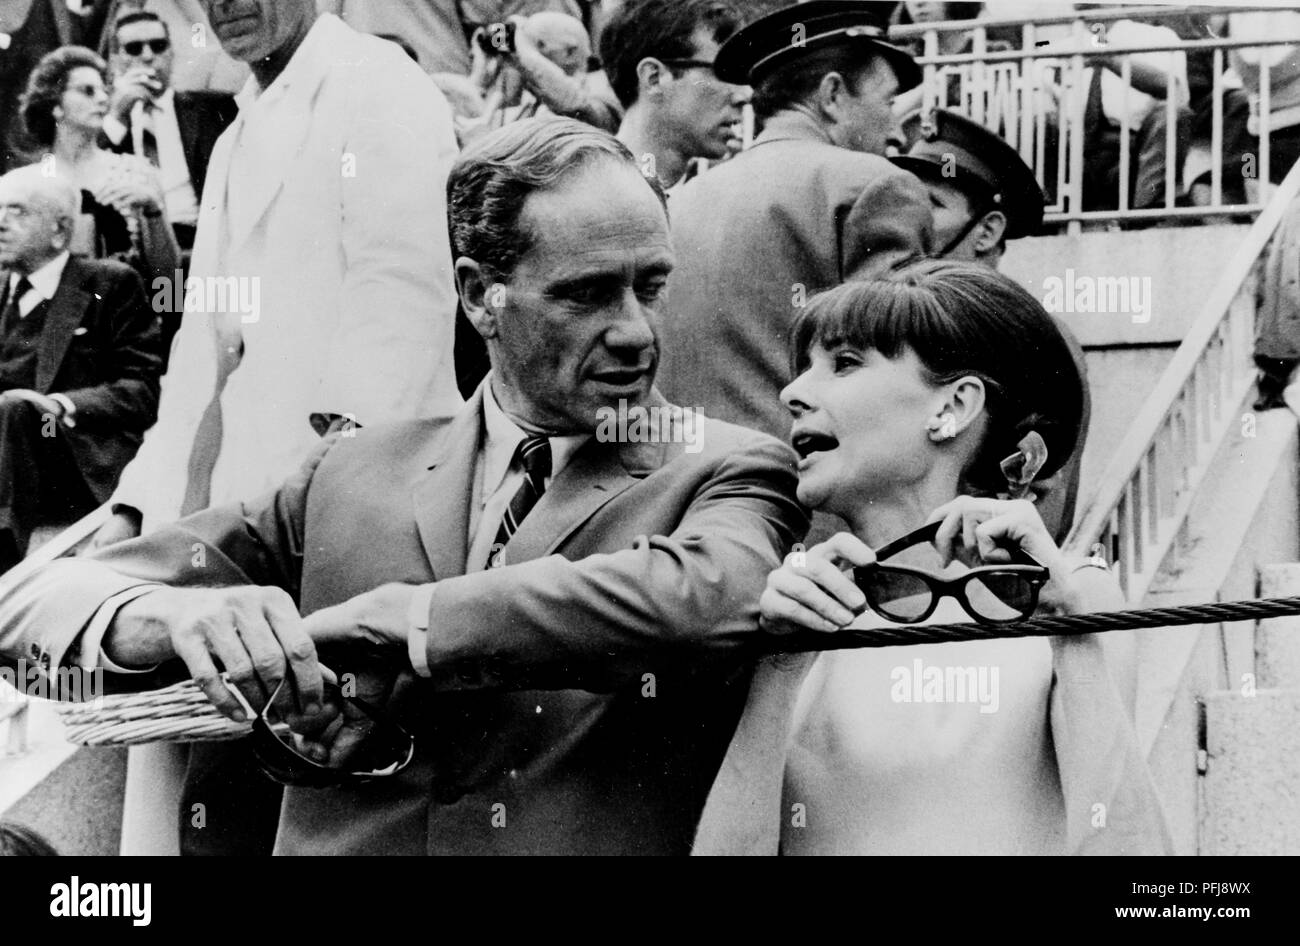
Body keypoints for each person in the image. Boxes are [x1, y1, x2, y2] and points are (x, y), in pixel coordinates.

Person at [0, 118, 808, 856]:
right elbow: (27, 608)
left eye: (652, 287)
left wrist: (409, 623)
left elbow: (712, 592)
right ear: (476, 294)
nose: (635, 330)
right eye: (586, 293)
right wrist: (174, 615)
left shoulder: (730, 467)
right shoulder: (347, 471)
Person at [89, 0, 465, 857]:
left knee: (318, 816)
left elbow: (401, 302)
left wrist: (314, 507)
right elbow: (201, 350)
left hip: (341, 530)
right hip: (235, 533)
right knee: (213, 813)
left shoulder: (381, 87)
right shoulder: (233, 135)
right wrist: (138, 503)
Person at [692, 260, 1172, 856]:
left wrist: (1074, 637)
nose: (792, 393)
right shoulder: (792, 609)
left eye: (843, 363)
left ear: (953, 407)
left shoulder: (1072, 595)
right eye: (802, 369)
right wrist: (778, 671)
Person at [658, 1, 933, 445]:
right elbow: (897, 379)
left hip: (682, 486)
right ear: (832, 96)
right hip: (804, 494)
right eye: (887, 102)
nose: (897, 130)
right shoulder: (874, 184)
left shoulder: (680, 201)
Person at [891, 106, 1091, 541]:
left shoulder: (1036, 338)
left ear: (986, 231)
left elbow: (1041, 493)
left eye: (933, 204)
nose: (909, 220)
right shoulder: (905, 325)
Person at [0, 166, 160, 572]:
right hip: (9, 451)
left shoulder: (108, 282)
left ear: (59, 230)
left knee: (16, 408)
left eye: (17, 212)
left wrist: (59, 404)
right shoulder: (2, 290)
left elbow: (142, 391)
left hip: (74, 449)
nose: (1, 223)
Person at [18, 46, 182, 290]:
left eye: (104, 91)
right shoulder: (25, 185)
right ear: (55, 105)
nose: (104, 99)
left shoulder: (137, 172)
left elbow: (169, 281)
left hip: (129, 318)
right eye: (88, 91)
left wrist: (153, 209)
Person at [101, 10, 239, 279]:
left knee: (179, 297)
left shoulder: (211, 110)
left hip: (200, 242)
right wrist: (118, 116)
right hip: (134, 252)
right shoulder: (103, 119)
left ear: (171, 52)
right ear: (116, 60)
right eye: (134, 48)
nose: (148, 55)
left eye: (158, 45)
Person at [601, 0, 748, 190]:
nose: (744, 95)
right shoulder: (587, 193)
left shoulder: (725, 192)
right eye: (724, 73)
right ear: (654, 78)